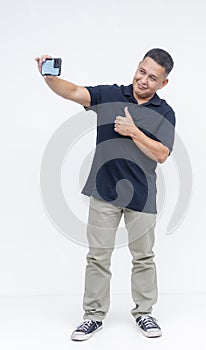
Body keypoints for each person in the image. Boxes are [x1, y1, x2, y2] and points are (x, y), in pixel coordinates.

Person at [35, 48, 176, 341]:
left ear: (163, 84)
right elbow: (73, 91)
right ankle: (93, 316)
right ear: (136, 68)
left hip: (142, 195)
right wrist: (49, 77)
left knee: (144, 257)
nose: (144, 80)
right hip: (104, 192)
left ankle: (145, 313)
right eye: (142, 71)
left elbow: (162, 154)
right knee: (98, 257)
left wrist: (134, 131)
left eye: (153, 78)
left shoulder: (165, 112)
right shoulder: (111, 95)